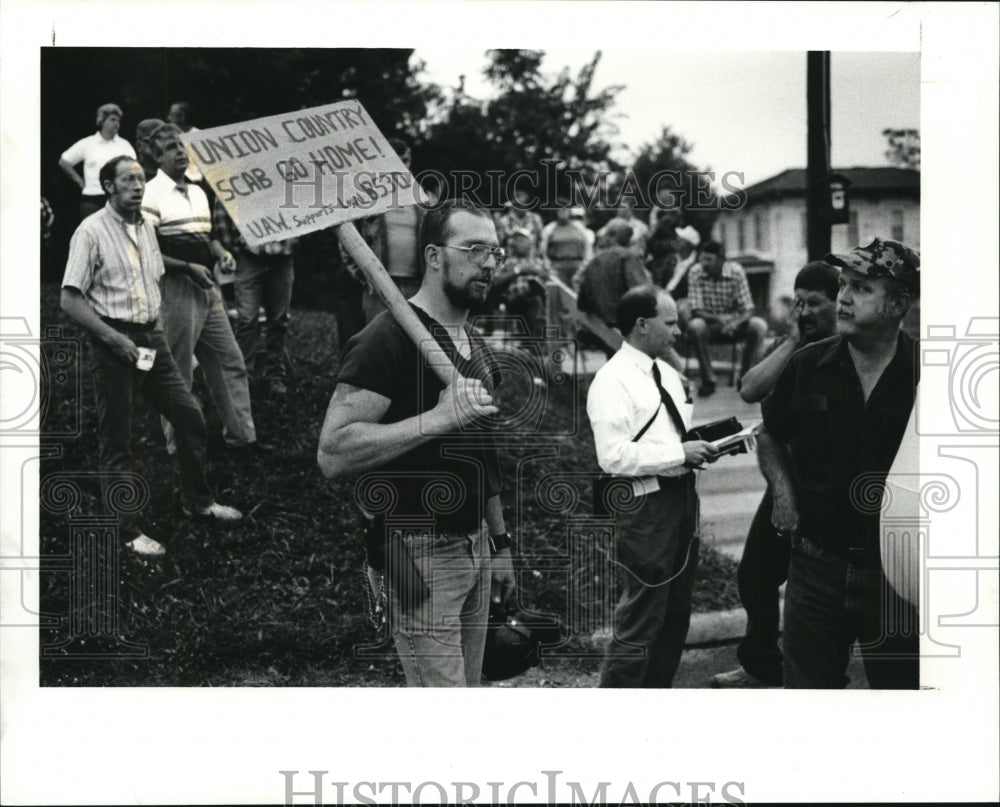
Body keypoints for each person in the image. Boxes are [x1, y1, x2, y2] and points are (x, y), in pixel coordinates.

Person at [317, 199, 515, 687]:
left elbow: (483, 457)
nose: (489, 263)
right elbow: (334, 452)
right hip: (411, 552)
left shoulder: (475, 345)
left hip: (474, 547)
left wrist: (499, 541)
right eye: (473, 249)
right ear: (431, 256)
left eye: (496, 251)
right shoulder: (384, 340)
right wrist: (437, 418)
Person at [757, 238, 921, 689]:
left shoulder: (929, 375)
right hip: (816, 568)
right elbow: (770, 432)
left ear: (899, 302)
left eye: (863, 288)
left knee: (902, 702)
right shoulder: (808, 364)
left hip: (898, 580)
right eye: (844, 285)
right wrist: (783, 496)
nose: (844, 297)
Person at [59, 156, 242, 558]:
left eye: (141, 179)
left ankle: (199, 503)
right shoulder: (90, 232)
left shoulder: (145, 227)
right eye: (128, 180)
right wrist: (114, 339)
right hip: (113, 343)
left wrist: (154, 333)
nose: (138, 186)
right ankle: (127, 533)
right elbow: (69, 299)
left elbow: (152, 281)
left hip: (150, 339)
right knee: (117, 441)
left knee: (190, 418)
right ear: (108, 186)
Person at [710, 261, 839, 688]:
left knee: (821, 590)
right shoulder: (796, 347)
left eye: (815, 303)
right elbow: (750, 388)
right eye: (798, 302)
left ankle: (813, 674)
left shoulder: (849, 347)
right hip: (787, 477)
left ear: (839, 303)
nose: (805, 310)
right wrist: (794, 340)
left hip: (831, 489)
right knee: (755, 577)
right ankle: (762, 664)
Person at [586, 285, 720, 687]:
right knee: (644, 615)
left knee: (677, 612)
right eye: (671, 322)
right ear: (642, 325)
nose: (679, 331)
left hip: (681, 497)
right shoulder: (612, 380)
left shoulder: (666, 374)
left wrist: (708, 445)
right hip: (644, 505)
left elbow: (668, 436)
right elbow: (612, 456)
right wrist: (680, 454)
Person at [141, 123, 265, 454]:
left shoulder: (198, 191)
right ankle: (180, 446)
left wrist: (221, 254)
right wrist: (187, 269)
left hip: (207, 287)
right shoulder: (150, 194)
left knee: (230, 359)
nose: (180, 152)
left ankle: (242, 438)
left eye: (182, 146)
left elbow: (205, 238)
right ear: (156, 156)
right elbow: (147, 252)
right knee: (178, 368)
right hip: (174, 288)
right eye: (170, 148)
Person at [213, 199, 297, 396]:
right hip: (249, 257)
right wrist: (233, 248)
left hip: (282, 257)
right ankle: (243, 379)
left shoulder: (285, 173)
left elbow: (303, 207)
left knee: (279, 320)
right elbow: (221, 213)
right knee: (247, 320)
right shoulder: (235, 174)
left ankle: (275, 376)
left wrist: (295, 240)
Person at [338, 138, 427, 323]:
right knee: (379, 341)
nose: (401, 166)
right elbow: (346, 238)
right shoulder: (367, 196)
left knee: (412, 344)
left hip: (416, 287)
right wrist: (364, 274)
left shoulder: (421, 197)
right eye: (395, 160)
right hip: (379, 286)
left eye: (405, 161)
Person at [686, 240, 768, 397]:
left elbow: (748, 308)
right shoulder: (695, 272)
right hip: (709, 324)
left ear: (721, 260)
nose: (704, 264)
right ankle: (708, 379)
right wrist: (719, 318)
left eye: (709, 260)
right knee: (696, 326)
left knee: (759, 326)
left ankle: (746, 378)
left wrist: (735, 322)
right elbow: (696, 309)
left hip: (735, 324)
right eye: (702, 259)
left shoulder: (736, 272)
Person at [575, 221, 651, 355]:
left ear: (612, 236)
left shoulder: (594, 261)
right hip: (629, 326)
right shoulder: (628, 257)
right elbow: (641, 292)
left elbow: (583, 303)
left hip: (605, 324)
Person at [59, 103, 136, 221]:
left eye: (118, 120)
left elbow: (134, 168)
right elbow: (64, 162)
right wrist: (80, 181)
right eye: (112, 119)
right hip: (92, 199)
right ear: (102, 121)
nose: (116, 124)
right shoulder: (88, 143)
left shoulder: (124, 145)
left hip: (117, 198)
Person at [540, 201, 592, 286]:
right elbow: (544, 252)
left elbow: (588, 248)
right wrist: (549, 269)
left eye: (565, 209)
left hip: (578, 266)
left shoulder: (579, 228)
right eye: (560, 210)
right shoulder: (549, 229)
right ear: (556, 212)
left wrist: (583, 267)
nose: (563, 212)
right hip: (557, 267)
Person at [166, 101, 205, 186]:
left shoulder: (200, 137)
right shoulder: (171, 138)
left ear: (182, 116)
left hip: (198, 185)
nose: (168, 118)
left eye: (171, 114)